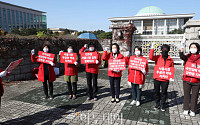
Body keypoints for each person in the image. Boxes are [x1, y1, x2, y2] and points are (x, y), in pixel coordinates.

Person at [149, 43, 174, 111]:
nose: (164, 51)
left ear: (168, 51)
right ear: (161, 50)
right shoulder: (157, 57)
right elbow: (151, 57)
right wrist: (152, 49)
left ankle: (163, 104)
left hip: (165, 79)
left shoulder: (170, 60)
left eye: (166, 49)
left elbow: (171, 68)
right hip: (157, 78)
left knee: (164, 92)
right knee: (156, 92)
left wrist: (171, 77)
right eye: (163, 49)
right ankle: (157, 104)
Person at [179, 42, 200, 117]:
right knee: (186, 95)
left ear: (197, 49)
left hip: (197, 81)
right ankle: (186, 109)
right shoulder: (187, 57)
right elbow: (182, 56)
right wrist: (181, 49)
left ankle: (193, 110)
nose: (193, 48)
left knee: (195, 96)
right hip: (187, 80)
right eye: (191, 47)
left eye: (194, 47)